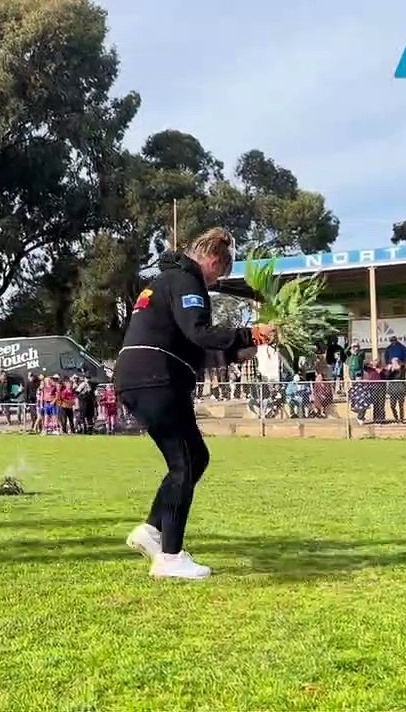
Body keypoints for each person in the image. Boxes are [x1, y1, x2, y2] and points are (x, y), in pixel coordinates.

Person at [114, 228, 274, 580]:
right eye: (218, 275)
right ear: (214, 261)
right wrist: (248, 332)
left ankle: (152, 531)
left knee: (195, 457)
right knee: (183, 464)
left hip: (142, 377)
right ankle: (170, 557)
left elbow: (191, 346)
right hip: (157, 379)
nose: (214, 283)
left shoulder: (165, 281)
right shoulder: (187, 281)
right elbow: (199, 332)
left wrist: (238, 350)